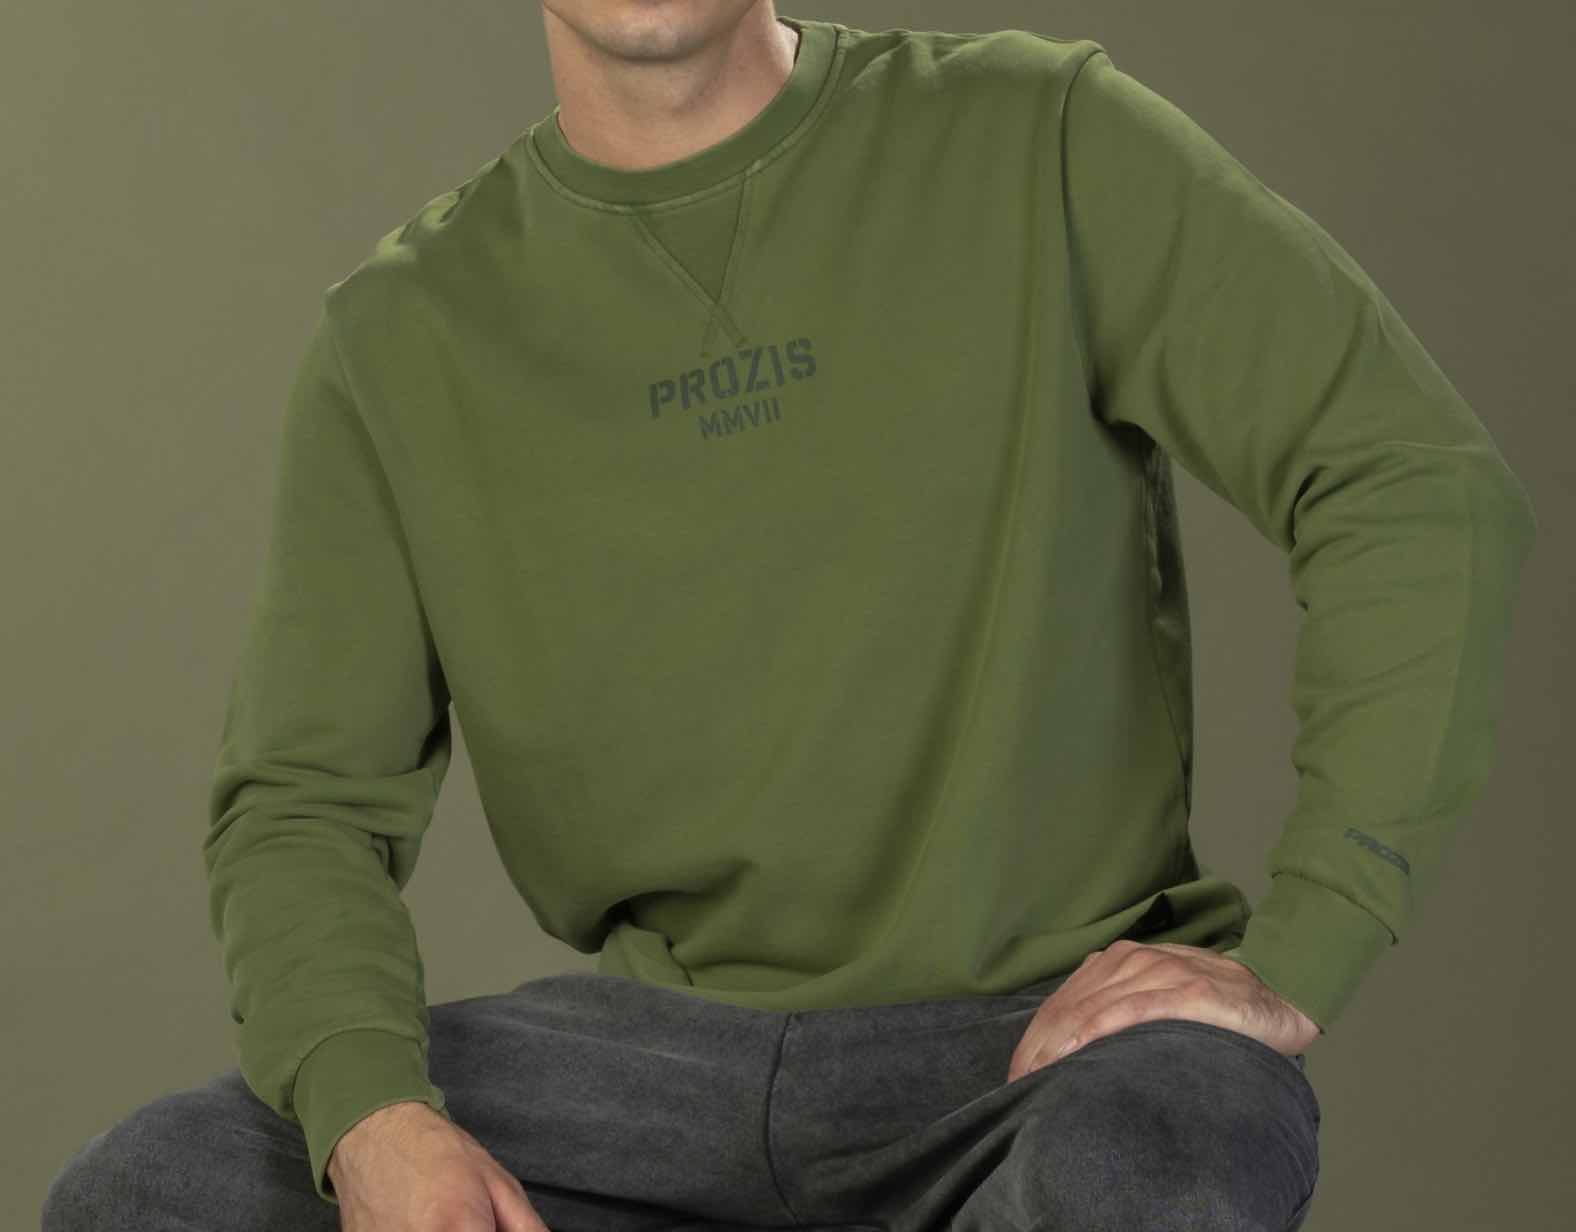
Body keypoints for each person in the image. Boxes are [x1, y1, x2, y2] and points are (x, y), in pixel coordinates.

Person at [42, 3, 1537, 1231]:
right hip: (646, 1083)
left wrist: (1303, 945)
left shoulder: (1038, 138)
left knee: (1150, 1172)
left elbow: (1411, 479)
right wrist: (375, 1117)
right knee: (156, 1194)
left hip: (1040, 1045)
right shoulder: (400, 336)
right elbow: (304, 803)